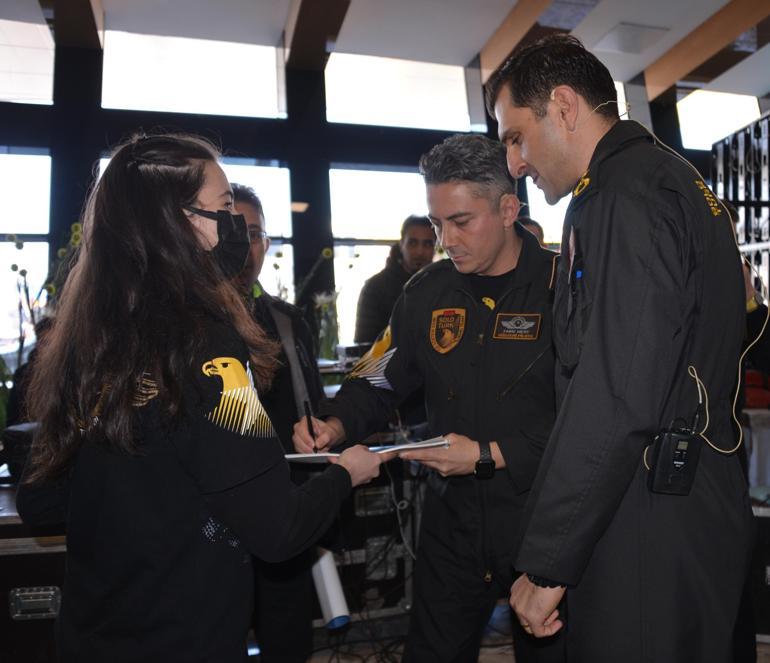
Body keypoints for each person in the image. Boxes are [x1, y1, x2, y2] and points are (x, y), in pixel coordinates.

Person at [15, 133, 386, 663]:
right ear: (177, 223)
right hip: (184, 634)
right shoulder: (208, 346)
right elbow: (278, 529)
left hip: (94, 631)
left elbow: (42, 499)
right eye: (223, 209)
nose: (235, 225)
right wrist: (345, 473)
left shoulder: (85, 340)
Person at [486, 34, 754, 662]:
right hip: (695, 497)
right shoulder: (677, 179)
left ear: (564, 106)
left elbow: (616, 391)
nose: (516, 163)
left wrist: (550, 560)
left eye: (516, 136)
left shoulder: (618, 196)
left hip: (647, 515)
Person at [294, 134, 564, 663]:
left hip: (541, 524)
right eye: (437, 224)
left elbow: (592, 419)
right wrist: (336, 424)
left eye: (461, 222)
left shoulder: (564, 289)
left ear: (509, 208)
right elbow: (379, 376)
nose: (447, 239)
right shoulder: (425, 293)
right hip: (453, 527)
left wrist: (490, 452)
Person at [232, 182, 323, 662]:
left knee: (287, 637)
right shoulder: (185, 326)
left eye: (253, 233)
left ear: (267, 243)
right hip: (212, 521)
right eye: (232, 231)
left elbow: (312, 413)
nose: (244, 246)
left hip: (281, 508)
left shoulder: (288, 322)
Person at [353, 214, 435, 344]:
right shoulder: (376, 287)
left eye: (427, 244)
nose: (420, 251)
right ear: (401, 244)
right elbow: (365, 344)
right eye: (413, 243)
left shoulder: (441, 287)